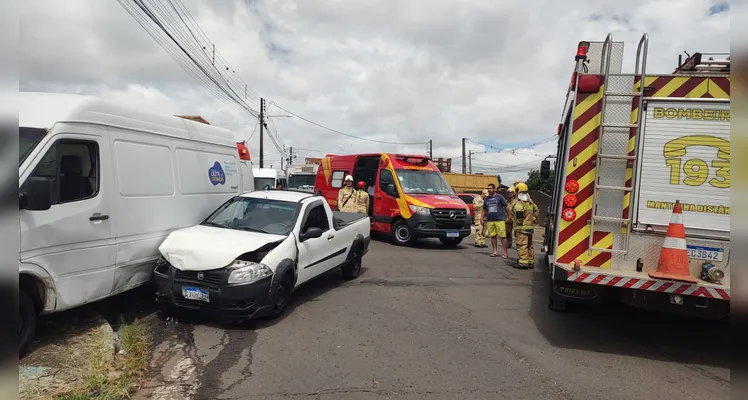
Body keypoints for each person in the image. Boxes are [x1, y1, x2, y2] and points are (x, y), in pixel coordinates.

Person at [511, 182, 539, 268]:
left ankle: (523, 263)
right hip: (530, 228)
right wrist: (533, 219)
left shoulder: (519, 203)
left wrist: (517, 224)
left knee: (522, 245)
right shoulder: (530, 202)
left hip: (521, 229)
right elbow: (536, 210)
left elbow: (519, 218)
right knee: (529, 245)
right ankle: (530, 261)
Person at [481, 183, 508, 258]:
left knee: (503, 237)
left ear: (494, 189)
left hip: (500, 220)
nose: (489, 190)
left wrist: (509, 216)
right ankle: (494, 251)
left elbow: (506, 207)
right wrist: (481, 218)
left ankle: (505, 253)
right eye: (488, 188)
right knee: (493, 236)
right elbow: (484, 209)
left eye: (490, 188)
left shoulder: (499, 197)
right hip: (490, 220)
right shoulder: (486, 199)